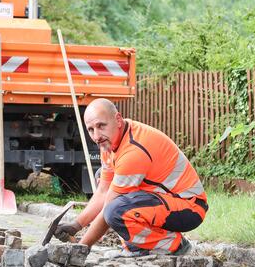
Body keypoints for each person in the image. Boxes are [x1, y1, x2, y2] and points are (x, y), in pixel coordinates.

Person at [54, 98, 208, 256]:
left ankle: (174, 245)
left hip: (189, 207)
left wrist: (82, 247)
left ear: (118, 120)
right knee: (104, 179)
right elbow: (102, 192)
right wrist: (76, 225)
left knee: (116, 211)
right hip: (163, 200)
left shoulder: (133, 151)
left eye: (101, 126)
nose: (97, 135)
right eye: (91, 129)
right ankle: (137, 247)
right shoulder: (110, 142)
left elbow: (108, 209)